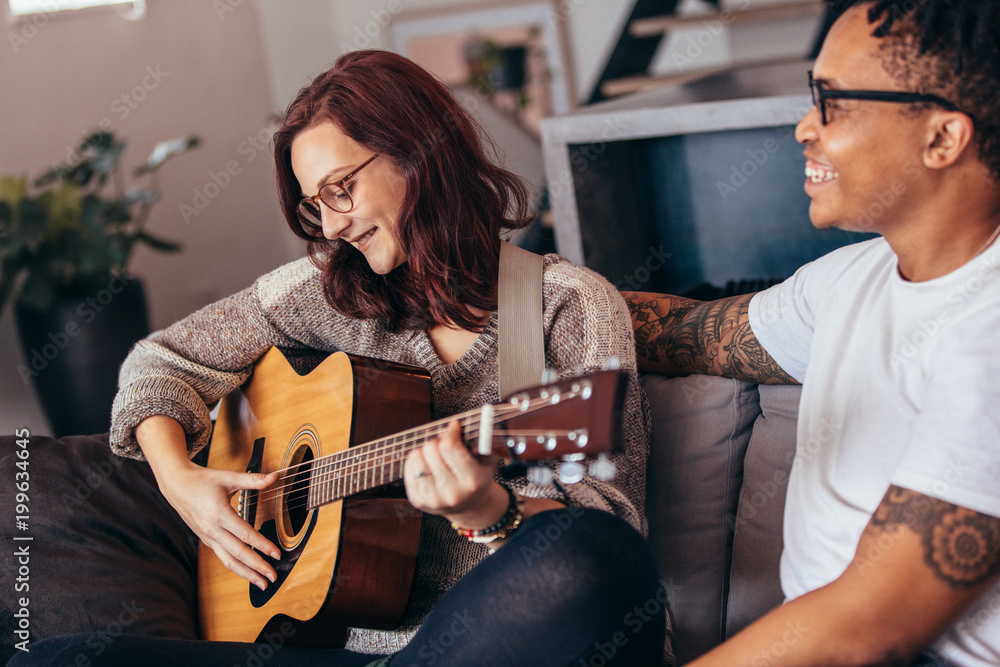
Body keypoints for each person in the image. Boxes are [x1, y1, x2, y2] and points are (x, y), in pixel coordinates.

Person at [11, 51, 667, 666]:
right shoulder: (324, 294)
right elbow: (158, 361)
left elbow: (607, 536)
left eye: (341, 189)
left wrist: (488, 510)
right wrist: (182, 483)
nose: (330, 226)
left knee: (582, 564)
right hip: (346, 650)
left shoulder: (567, 306)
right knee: (52, 659)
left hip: (498, 640)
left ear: (418, 154)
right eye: (314, 204)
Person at [626, 1, 1000, 665]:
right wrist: (511, 292)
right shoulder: (853, 277)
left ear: (943, 138)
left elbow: (868, 629)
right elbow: (692, 331)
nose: (804, 128)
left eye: (833, 102)